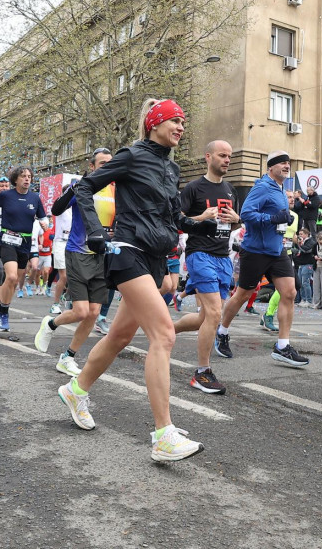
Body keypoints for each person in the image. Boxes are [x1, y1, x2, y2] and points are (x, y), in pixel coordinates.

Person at [56, 99, 218, 461]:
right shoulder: (131, 156)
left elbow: (172, 217)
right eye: (174, 120)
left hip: (155, 258)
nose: (181, 127)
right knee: (164, 334)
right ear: (154, 124)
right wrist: (96, 231)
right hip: (127, 251)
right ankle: (163, 435)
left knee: (119, 336)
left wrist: (200, 224)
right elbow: (85, 188)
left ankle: (75, 390)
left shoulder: (171, 168)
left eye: (183, 121)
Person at [216, 151, 310, 367]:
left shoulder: (281, 189)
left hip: (277, 250)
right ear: (271, 167)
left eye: (288, 163)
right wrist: (273, 218)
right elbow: (246, 214)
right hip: (256, 250)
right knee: (243, 294)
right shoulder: (262, 187)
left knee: (290, 292)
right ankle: (222, 332)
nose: (287, 166)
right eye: (282, 163)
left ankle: (283, 346)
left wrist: (284, 219)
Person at [37, 148, 115, 376]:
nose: (107, 167)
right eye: (102, 163)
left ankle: (67, 357)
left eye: (110, 163)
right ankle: (51, 324)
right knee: (81, 311)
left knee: (93, 312)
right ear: (92, 166)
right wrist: (72, 188)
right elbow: (56, 209)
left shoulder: (116, 189)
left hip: (102, 256)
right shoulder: (83, 186)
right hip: (78, 252)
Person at [171, 140, 241, 394]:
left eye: (229, 156)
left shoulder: (230, 190)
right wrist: (202, 217)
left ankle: (167, 331)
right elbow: (178, 221)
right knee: (212, 314)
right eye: (222, 155)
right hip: (200, 254)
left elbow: (233, 224)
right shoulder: (193, 188)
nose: (227, 160)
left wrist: (237, 219)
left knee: (207, 317)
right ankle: (202, 372)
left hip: (223, 257)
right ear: (208, 157)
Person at [0, 168, 47, 331]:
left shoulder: (35, 198)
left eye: (29, 177)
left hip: (25, 242)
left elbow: (43, 216)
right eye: (23, 176)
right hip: (7, 239)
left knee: (15, 281)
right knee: (12, 276)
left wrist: (45, 223)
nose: (27, 179)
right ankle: (3, 313)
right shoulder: (6, 195)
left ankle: (0, 310)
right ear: (15, 179)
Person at [293, 227, 316, 307]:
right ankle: (303, 299)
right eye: (299, 234)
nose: (300, 236)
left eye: (301, 234)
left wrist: (300, 244)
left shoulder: (311, 241)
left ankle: (308, 300)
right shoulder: (302, 242)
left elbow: (306, 250)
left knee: (305, 282)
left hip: (308, 264)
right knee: (300, 283)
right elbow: (299, 251)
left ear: (306, 234)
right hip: (301, 264)